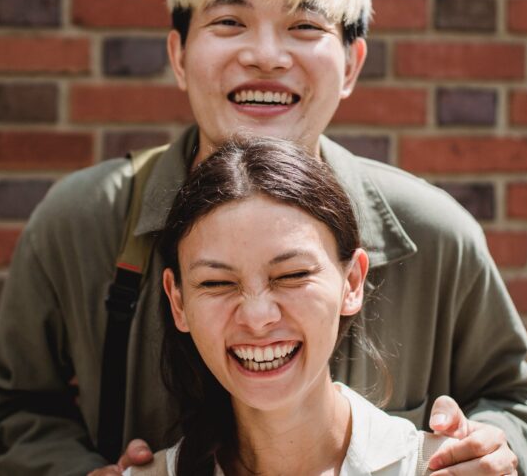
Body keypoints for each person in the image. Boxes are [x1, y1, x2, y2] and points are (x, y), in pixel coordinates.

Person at [0, 0, 527, 474]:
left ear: (352, 63)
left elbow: (518, 399)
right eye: (230, 21)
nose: (266, 54)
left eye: (305, 25)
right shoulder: (81, 222)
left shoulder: (434, 232)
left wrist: (489, 449)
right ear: (178, 55)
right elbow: (15, 404)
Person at [93, 137, 456, 476]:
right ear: (178, 302)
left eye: (292, 275)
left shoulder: (439, 467)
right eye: (216, 283)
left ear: (352, 282)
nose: (257, 317)